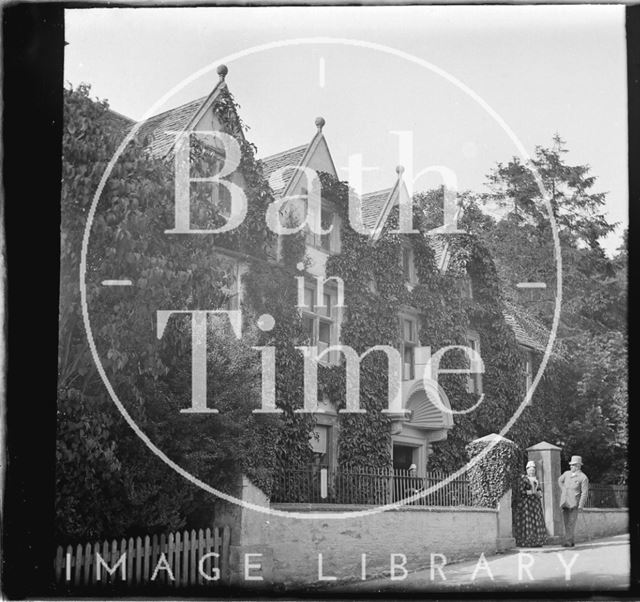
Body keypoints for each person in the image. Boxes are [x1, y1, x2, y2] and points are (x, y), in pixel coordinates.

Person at [512, 460, 547, 547]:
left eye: (533, 470)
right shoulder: (524, 479)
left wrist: (539, 493)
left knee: (537, 520)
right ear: (527, 470)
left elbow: (539, 489)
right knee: (528, 521)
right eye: (530, 470)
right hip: (527, 504)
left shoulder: (536, 479)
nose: (532, 472)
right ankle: (527, 541)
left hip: (535, 503)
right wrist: (532, 492)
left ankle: (537, 541)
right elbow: (521, 491)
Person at [558, 455, 589, 547]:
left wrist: (581, 505)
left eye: (573, 465)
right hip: (565, 502)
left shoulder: (583, 477)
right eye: (571, 465)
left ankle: (568, 541)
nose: (571, 466)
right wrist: (563, 489)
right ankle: (570, 541)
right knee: (566, 522)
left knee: (571, 523)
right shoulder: (566, 474)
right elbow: (560, 480)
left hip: (574, 503)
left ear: (578, 466)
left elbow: (584, 493)